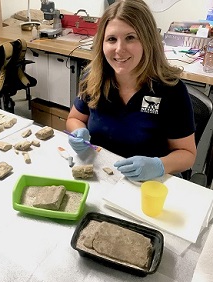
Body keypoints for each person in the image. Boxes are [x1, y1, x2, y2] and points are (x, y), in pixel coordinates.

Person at [66, 0, 196, 182]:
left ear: (147, 40)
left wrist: (158, 165)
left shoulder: (170, 90)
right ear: (101, 43)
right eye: (111, 39)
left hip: (148, 186)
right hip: (101, 176)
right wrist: (79, 133)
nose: (119, 49)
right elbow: (74, 119)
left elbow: (187, 154)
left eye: (130, 37)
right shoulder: (93, 77)